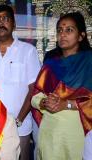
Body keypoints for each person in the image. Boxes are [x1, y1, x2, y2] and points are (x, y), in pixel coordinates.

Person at [0, 4, 41, 160]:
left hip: (20, 126)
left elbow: (33, 88)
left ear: (13, 24)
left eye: (5, 18)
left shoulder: (27, 51)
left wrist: (18, 120)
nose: (0, 23)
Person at [31, 12, 92, 160]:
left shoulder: (89, 63)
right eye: (59, 30)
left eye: (69, 30)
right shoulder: (50, 64)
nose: (62, 34)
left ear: (81, 35)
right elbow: (34, 97)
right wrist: (44, 102)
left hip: (76, 132)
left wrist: (66, 104)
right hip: (50, 132)